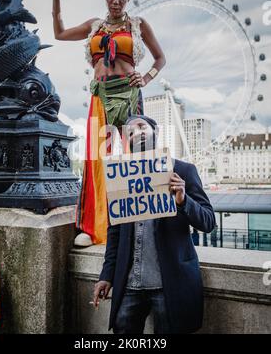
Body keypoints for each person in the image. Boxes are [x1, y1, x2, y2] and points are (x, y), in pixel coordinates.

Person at [52, 0, 166, 245]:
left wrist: (147, 77)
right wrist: (56, 0)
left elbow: (160, 58)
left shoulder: (138, 25)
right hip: (100, 98)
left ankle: (136, 232)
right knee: (97, 160)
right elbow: (60, 33)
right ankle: (95, 229)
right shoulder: (94, 26)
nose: (116, 0)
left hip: (128, 95)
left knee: (133, 159)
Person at [93, 115, 216, 334]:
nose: (136, 133)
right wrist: (106, 275)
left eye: (141, 127)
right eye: (129, 133)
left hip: (169, 286)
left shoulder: (184, 170)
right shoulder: (120, 177)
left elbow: (208, 222)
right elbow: (115, 234)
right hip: (129, 286)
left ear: (155, 132)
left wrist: (183, 201)